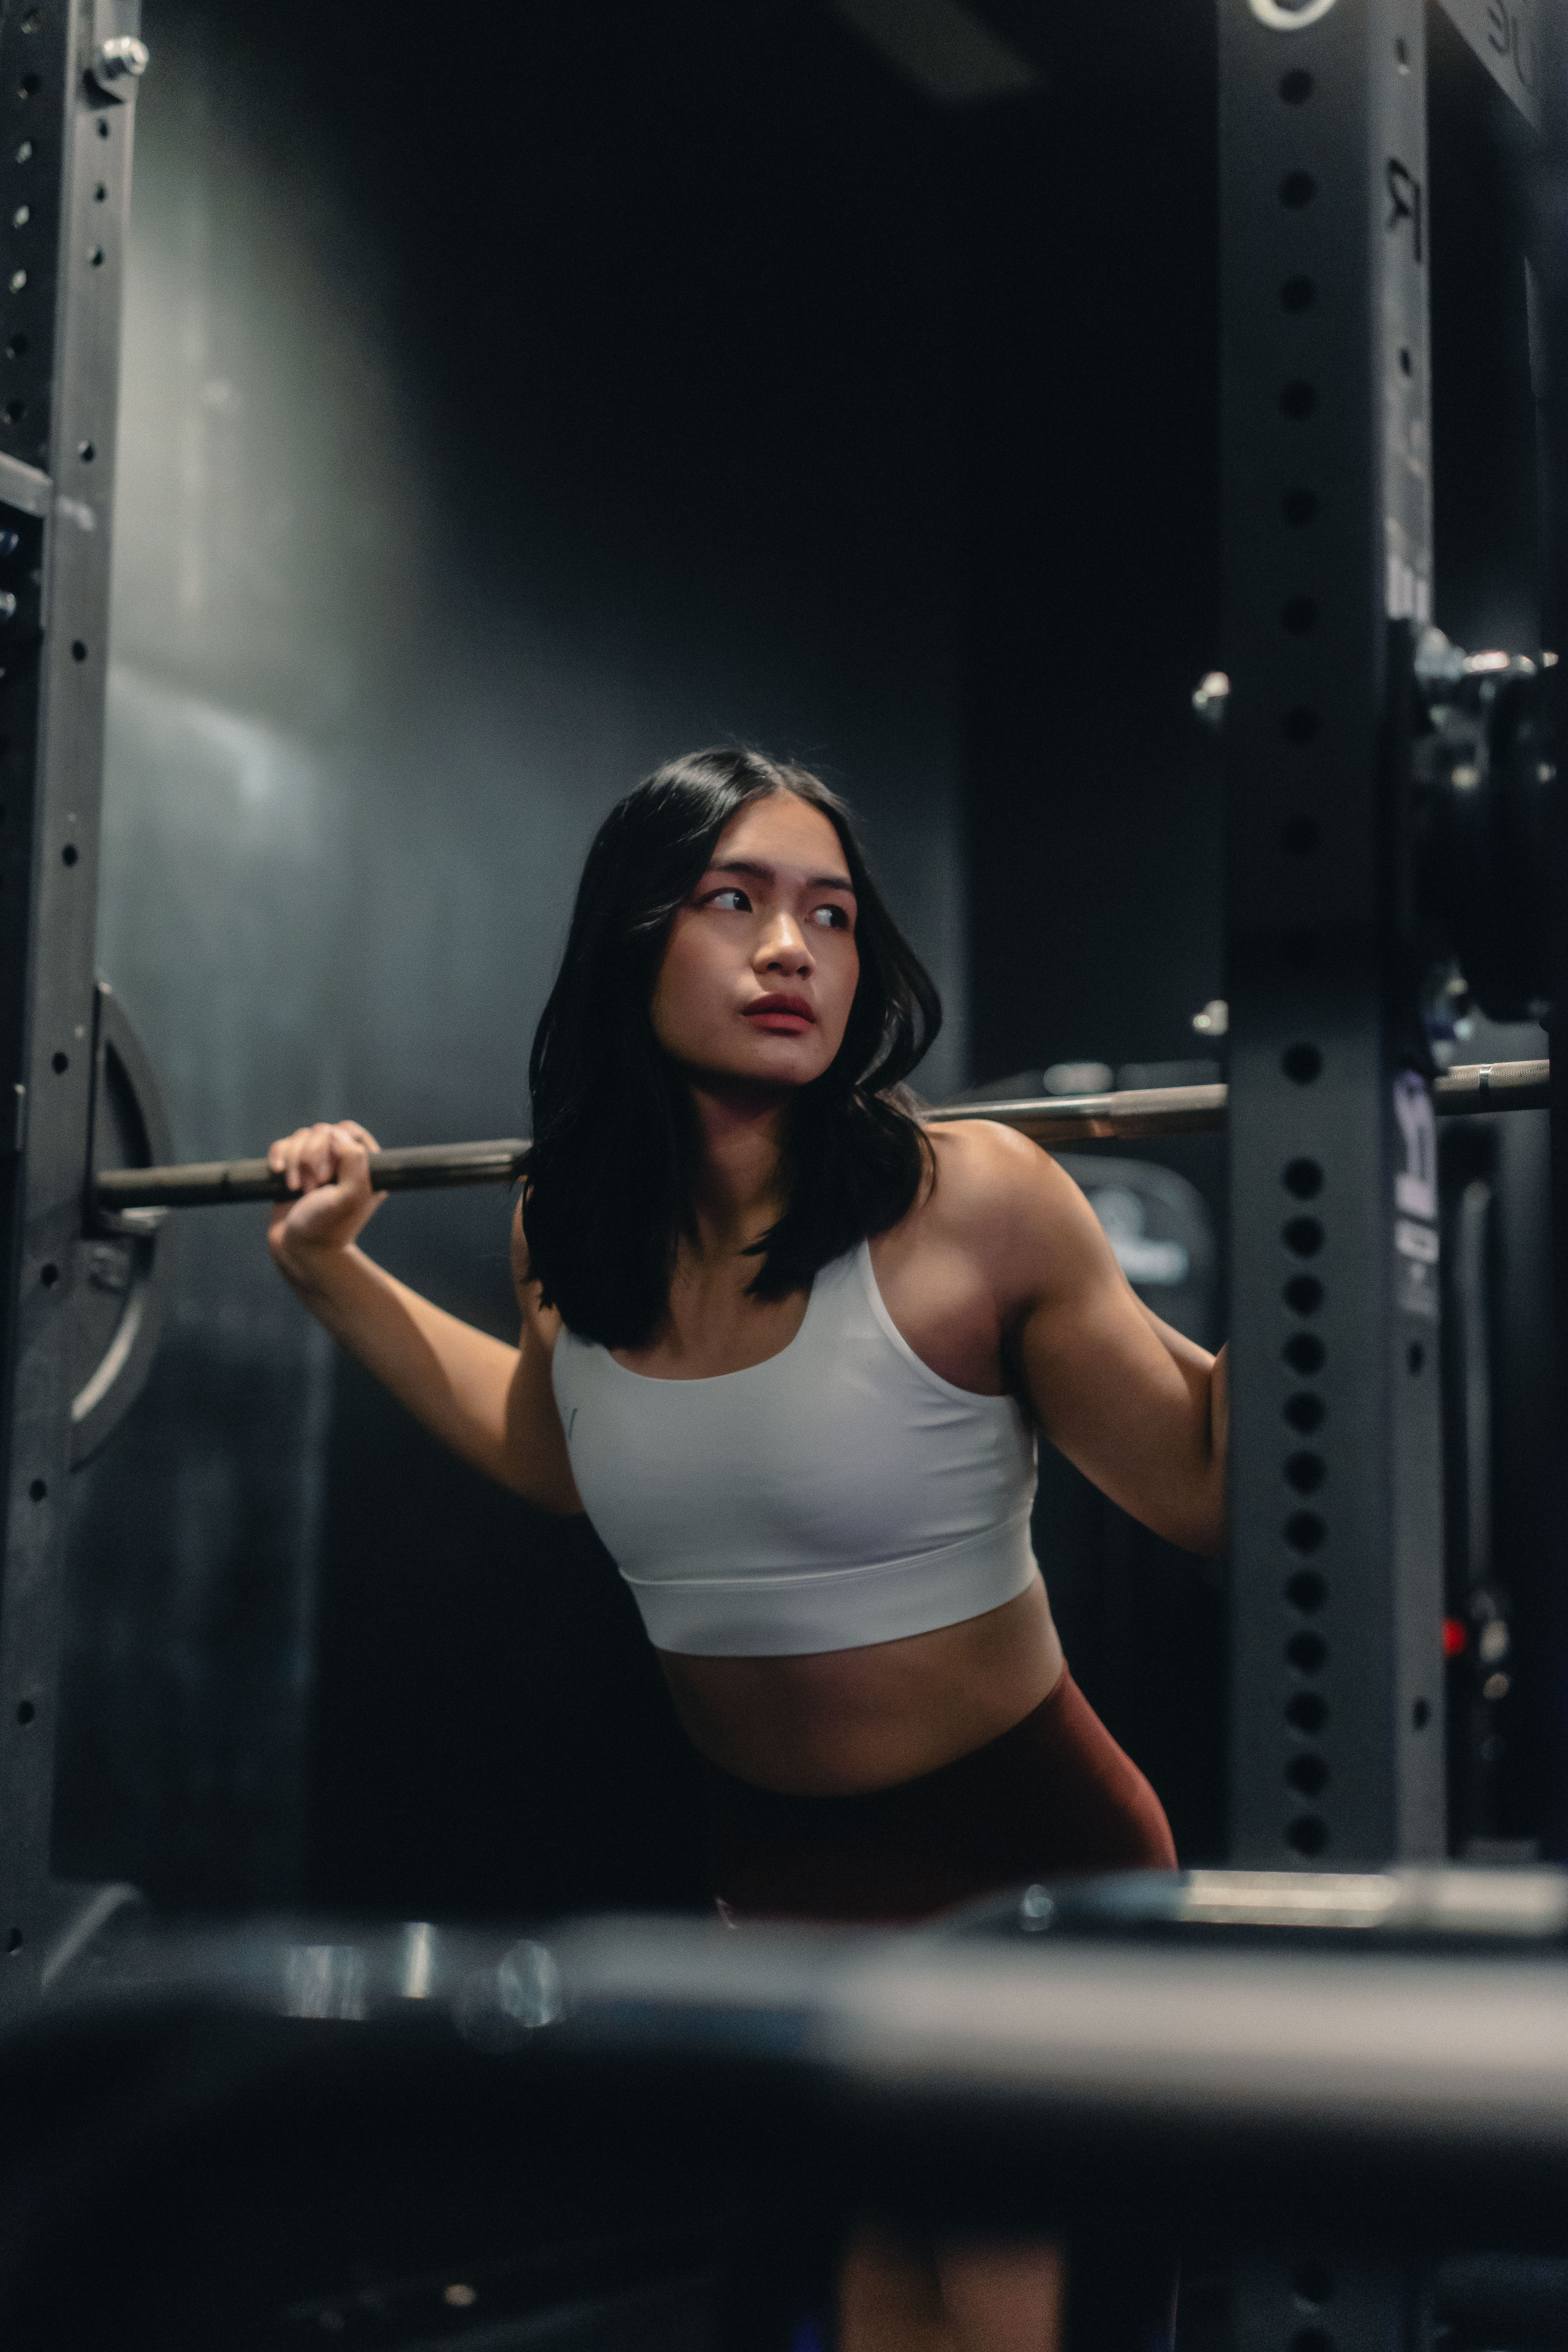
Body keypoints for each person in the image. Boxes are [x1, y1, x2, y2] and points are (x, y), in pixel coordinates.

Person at [267, 746, 1227, 2352]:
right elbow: (559, 1450)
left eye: (831, 914)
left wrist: (1324, 1163)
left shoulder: (973, 1199)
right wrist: (333, 1275)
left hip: (1024, 1873)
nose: (794, 948)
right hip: (774, 1875)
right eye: (737, 900)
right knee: (867, 2323)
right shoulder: (569, 1226)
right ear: (635, 934)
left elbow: (1208, 1484)